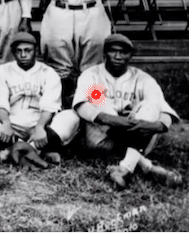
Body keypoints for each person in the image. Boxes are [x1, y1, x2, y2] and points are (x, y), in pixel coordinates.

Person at [74, 34, 182, 188]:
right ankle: (147, 166)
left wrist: (157, 126)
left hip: (137, 132)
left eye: (123, 52)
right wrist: (117, 121)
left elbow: (163, 109)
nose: (118, 56)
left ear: (131, 55)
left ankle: (124, 169)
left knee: (149, 105)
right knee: (99, 100)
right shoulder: (93, 75)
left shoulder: (142, 78)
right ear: (105, 53)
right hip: (101, 139)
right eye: (113, 51)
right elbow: (83, 107)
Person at [0, 32, 80, 165]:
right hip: (11, 127)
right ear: (13, 52)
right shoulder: (3, 70)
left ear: (36, 50)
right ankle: (35, 151)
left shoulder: (48, 72)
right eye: (19, 51)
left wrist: (40, 127)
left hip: (41, 127)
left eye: (28, 50)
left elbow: (50, 104)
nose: (23, 55)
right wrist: (6, 123)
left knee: (72, 116)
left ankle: (17, 151)